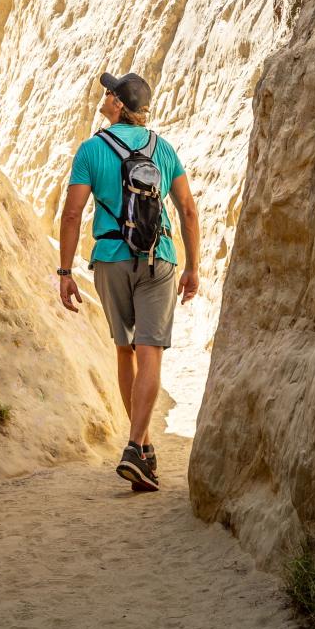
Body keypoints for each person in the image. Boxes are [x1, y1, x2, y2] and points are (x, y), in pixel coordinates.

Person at [57, 70, 200, 492]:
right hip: (160, 258)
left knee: (126, 351)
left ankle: (139, 447)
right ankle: (140, 447)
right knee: (151, 350)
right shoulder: (164, 149)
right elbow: (188, 210)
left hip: (111, 258)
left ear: (119, 104)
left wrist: (65, 272)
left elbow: (71, 213)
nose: (103, 96)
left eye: (109, 93)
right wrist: (193, 266)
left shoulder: (91, 150)